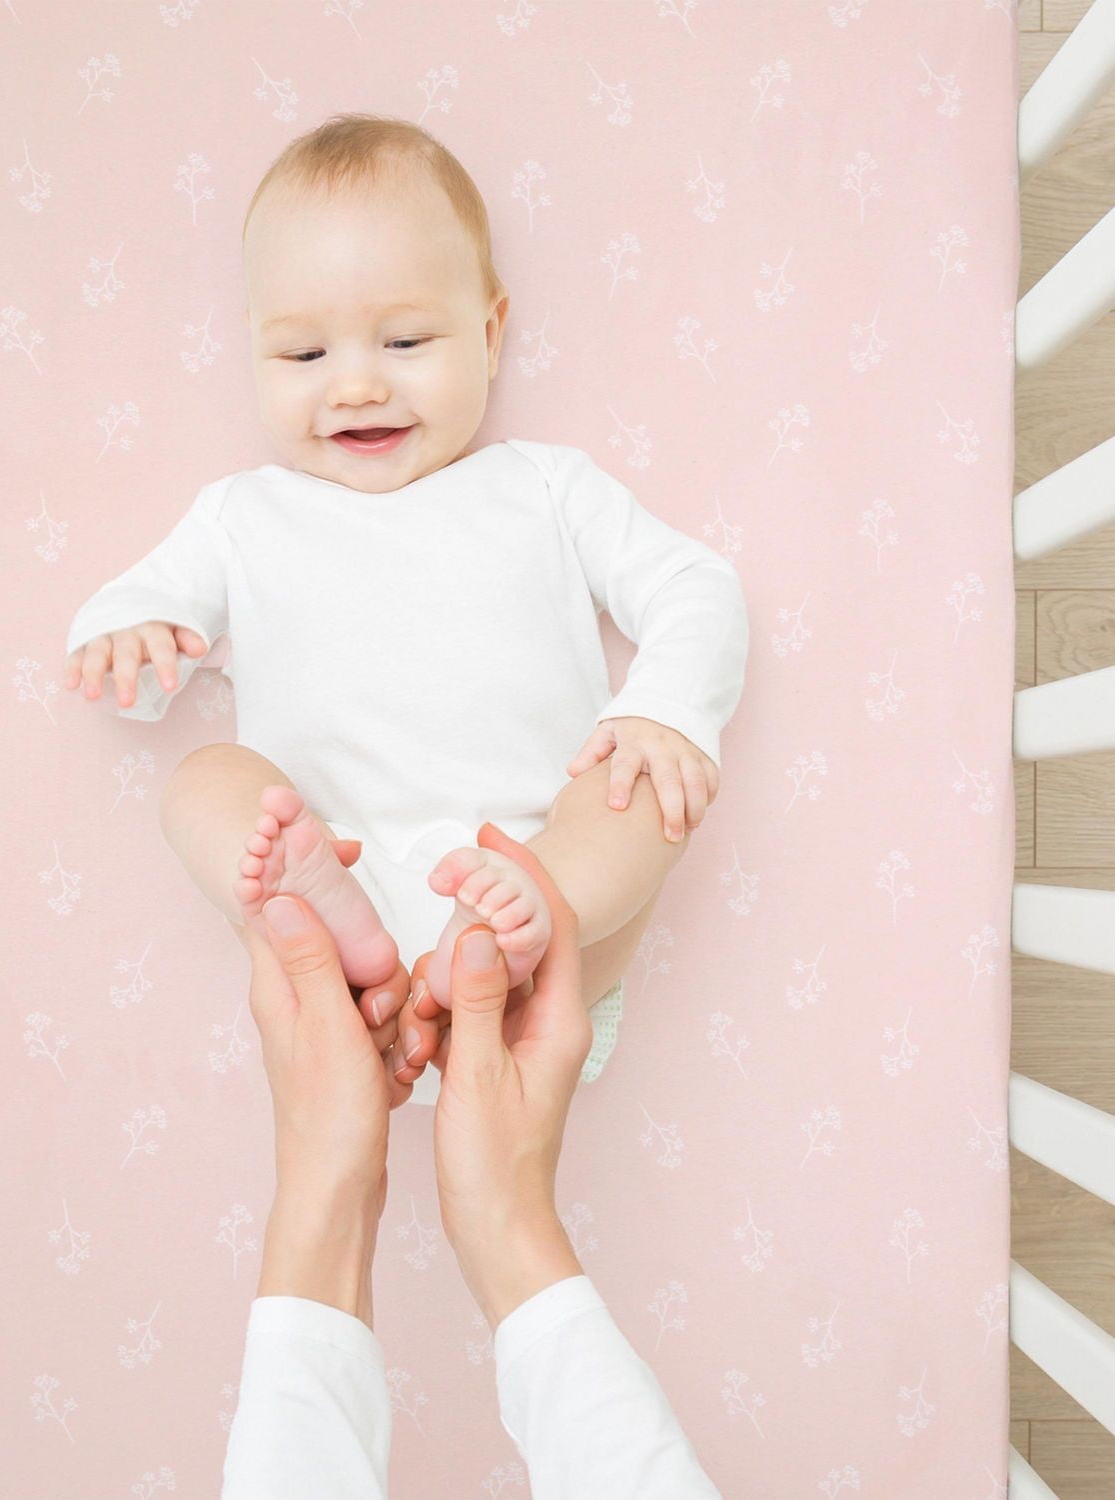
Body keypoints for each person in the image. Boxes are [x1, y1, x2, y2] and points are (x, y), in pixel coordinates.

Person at [62, 112, 749, 1099]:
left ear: (490, 332)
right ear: (253, 352)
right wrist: (126, 637)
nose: (355, 385)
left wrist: (665, 708)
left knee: (643, 789)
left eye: (406, 339)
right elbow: (139, 656)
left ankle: (510, 925)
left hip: (540, 904)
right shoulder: (243, 517)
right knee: (203, 779)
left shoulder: (545, 489)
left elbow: (694, 584)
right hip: (337, 898)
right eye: (303, 358)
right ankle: (327, 921)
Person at [218, 820, 724, 1496]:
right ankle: (486, 944)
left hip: (335, 890)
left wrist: (322, 1182)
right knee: (643, 811)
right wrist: (666, 715)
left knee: (207, 791)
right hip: (522, 917)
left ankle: (418, 936)